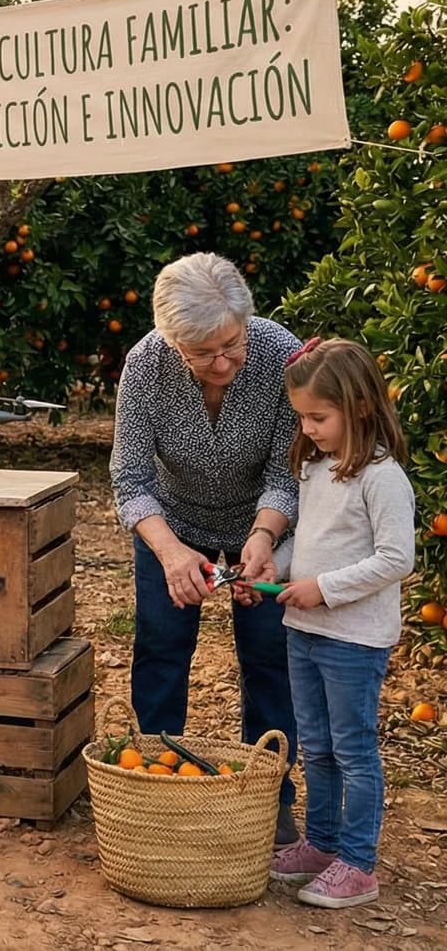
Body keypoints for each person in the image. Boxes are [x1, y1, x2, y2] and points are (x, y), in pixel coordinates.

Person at [111, 252, 302, 847]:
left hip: (264, 526)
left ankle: (270, 794)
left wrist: (263, 538)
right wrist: (170, 553)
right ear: (173, 343)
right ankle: (152, 782)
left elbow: (287, 473)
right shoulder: (145, 366)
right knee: (162, 649)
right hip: (174, 524)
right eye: (203, 353)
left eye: (231, 344)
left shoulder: (279, 354)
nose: (222, 362)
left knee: (271, 655)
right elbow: (130, 480)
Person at [267, 338, 415, 909]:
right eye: (302, 416)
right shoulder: (318, 466)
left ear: (358, 406)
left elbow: (395, 558)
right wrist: (271, 568)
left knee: (354, 751)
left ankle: (359, 863)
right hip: (304, 630)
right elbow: (310, 540)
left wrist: (322, 591)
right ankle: (323, 844)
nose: (307, 428)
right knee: (318, 748)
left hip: (353, 640)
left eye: (317, 417)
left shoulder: (382, 477)